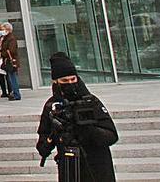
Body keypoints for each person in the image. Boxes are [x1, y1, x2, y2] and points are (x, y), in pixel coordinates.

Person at [36, 53, 118, 182]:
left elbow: (112, 135)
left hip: (97, 166)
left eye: (72, 79)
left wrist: (88, 129)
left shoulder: (91, 102)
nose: (69, 83)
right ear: (56, 82)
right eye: (64, 81)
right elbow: (42, 147)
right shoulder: (51, 107)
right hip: (70, 166)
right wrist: (55, 134)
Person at [0, 21, 22, 101]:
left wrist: (2, 54)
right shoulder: (6, 38)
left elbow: (11, 51)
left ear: (7, 29)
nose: (2, 31)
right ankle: (14, 93)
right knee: (10, 78)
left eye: (3, 29)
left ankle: (16, 94)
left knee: (13, 78)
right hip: (8, 61)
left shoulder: (11, 38)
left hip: (11, 61)